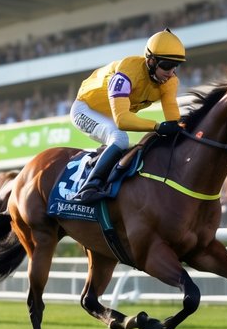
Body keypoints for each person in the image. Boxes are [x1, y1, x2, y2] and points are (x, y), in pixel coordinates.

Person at [70, 28, 186, 203]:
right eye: (167, 65)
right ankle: (89, 187)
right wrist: (157, 126)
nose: (170, 72)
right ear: (151, 60)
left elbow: (172, 118)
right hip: (85, 109)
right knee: (120, 138)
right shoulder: (126, 72)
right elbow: (122, 120)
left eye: (175, 66)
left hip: (111, 116)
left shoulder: (170, 81)